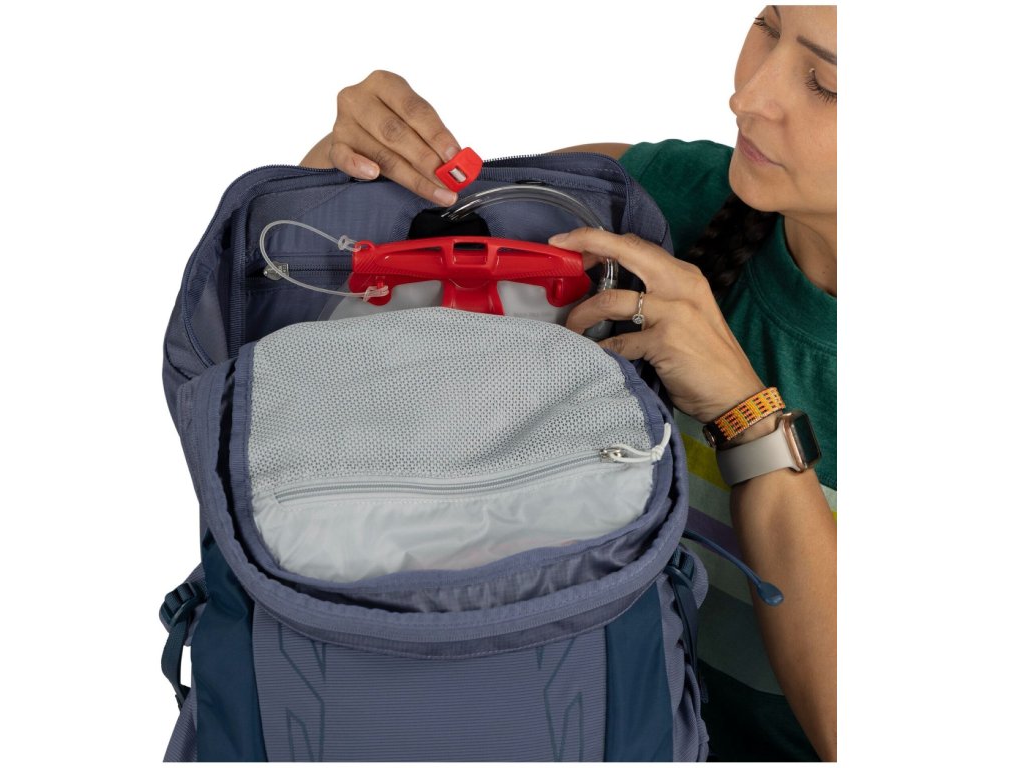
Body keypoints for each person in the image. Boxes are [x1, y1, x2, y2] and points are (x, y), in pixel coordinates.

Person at [301, 5, 837, 761]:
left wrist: (746, 417)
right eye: (766, 26)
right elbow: (325, 299)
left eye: (825, 83)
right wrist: (345, 169)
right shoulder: (642, 204)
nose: (746, 96)